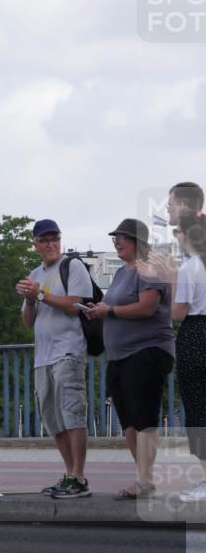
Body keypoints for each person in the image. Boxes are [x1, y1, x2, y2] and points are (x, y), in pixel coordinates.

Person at [83, 219, 174, 499]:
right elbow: (116, 306)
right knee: (129, 422)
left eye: (123, 237)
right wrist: (99, 310)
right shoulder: (123, 273)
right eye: (115, 238)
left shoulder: (150, 268)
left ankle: (145, 481)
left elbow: (147, 307)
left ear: (139, 242)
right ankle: (143, 478)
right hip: (120, 356)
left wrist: (109, 311)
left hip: (146, 351)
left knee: (144, 418)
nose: (117, 242)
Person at [15, 219, 93, 499]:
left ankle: (80, 476)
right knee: (52, 418)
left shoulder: (72, 266)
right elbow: (27, 321)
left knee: (72, 414)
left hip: (68, 350)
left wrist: (42, 294)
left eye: (54, 239)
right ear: (35, 244)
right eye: (44, 240)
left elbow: (76, 305)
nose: (50, 245)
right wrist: (32, 299)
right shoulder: (35, 273)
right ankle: (70, 473)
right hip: (43, 356)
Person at [171, 212, 206, 502]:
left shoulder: (189, 268)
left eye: (177, 232)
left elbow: (178, 313)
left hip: (196, 334)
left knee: (197, 406)